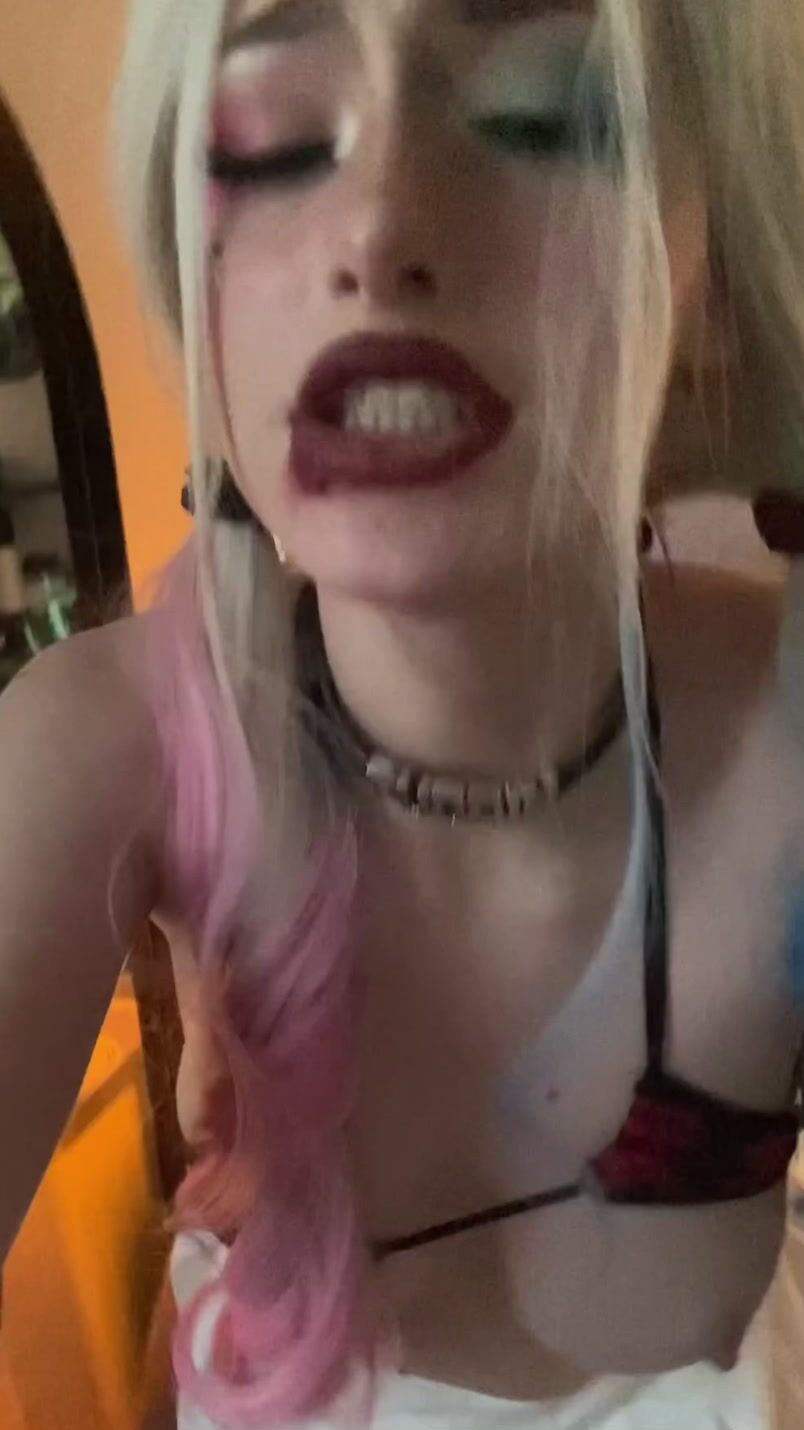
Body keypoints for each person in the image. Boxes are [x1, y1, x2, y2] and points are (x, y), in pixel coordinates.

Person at [2, 0, 804, 1425]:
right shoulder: (101, 748)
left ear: (707, 273)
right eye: (270, 142)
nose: (378, 228)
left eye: (544, 117)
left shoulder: (780, 720)